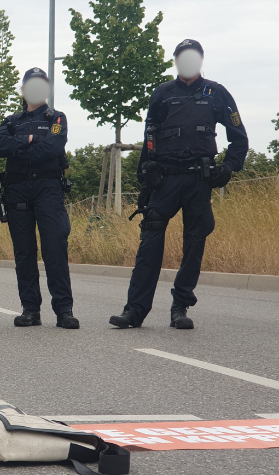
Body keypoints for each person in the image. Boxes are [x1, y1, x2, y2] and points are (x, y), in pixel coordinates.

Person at [110, 39, 248, 330]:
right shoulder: (162, 93)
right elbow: (150, 136)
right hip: (166, 179)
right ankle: (134, 311)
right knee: (149, 243)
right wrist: (144, 177)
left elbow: (239, 137)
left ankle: (180, 307)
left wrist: (229, 166)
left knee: (194, 243)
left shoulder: (216, 92)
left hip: (200, 179)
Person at [0, 68, 80, 330]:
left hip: (48, 187)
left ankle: (64, 310)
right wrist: (31, 139)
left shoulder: (57, 118)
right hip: (17, 188)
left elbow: (53, 147)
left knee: (54, 248)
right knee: (24, 252)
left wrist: (21, 146)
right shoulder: (10, 120)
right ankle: (30, 310)